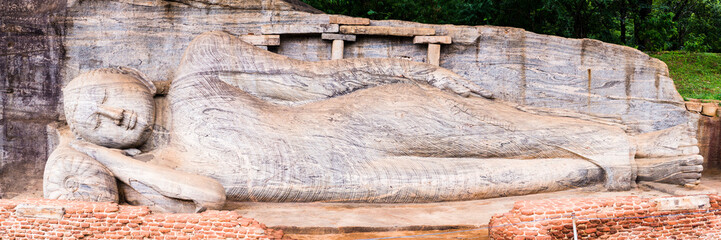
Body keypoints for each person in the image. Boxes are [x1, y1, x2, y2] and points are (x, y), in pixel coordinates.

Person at [52, 32, 702, 212]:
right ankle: (651, 166)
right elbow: (210, 198)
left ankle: (656, 145)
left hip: (365, 121)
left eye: (106, 94)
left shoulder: (196, 69)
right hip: (362, 178)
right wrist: (111, 161)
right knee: (528, 175)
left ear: (131, 77)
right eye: (93, 121)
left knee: (517, 130)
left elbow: (317, 78)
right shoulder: (157, 172)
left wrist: (418, 73)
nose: (112, 115)